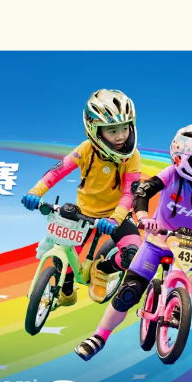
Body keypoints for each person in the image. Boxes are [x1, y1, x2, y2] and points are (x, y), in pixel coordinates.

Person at [76, 121, 192, 362]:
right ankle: (99, 336)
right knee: (129, 292)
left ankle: (178, 302)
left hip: (188, 244)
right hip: (157, 242)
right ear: (184, 160)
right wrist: (143, 218)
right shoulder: (172, 174)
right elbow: (143, 192)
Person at [21, 88, 141, 305]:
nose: (121, 136)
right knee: (62, 257)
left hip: (116, 216)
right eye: (112, 130)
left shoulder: (133, 157)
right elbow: (58, 171)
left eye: (125, 127)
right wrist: (34, 192)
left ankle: (102, 270)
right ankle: (67, 291)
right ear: (95, 131)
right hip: (84, 214)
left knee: (134, 253)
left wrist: (115, 219)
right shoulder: (86, 149)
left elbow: (129, 193)